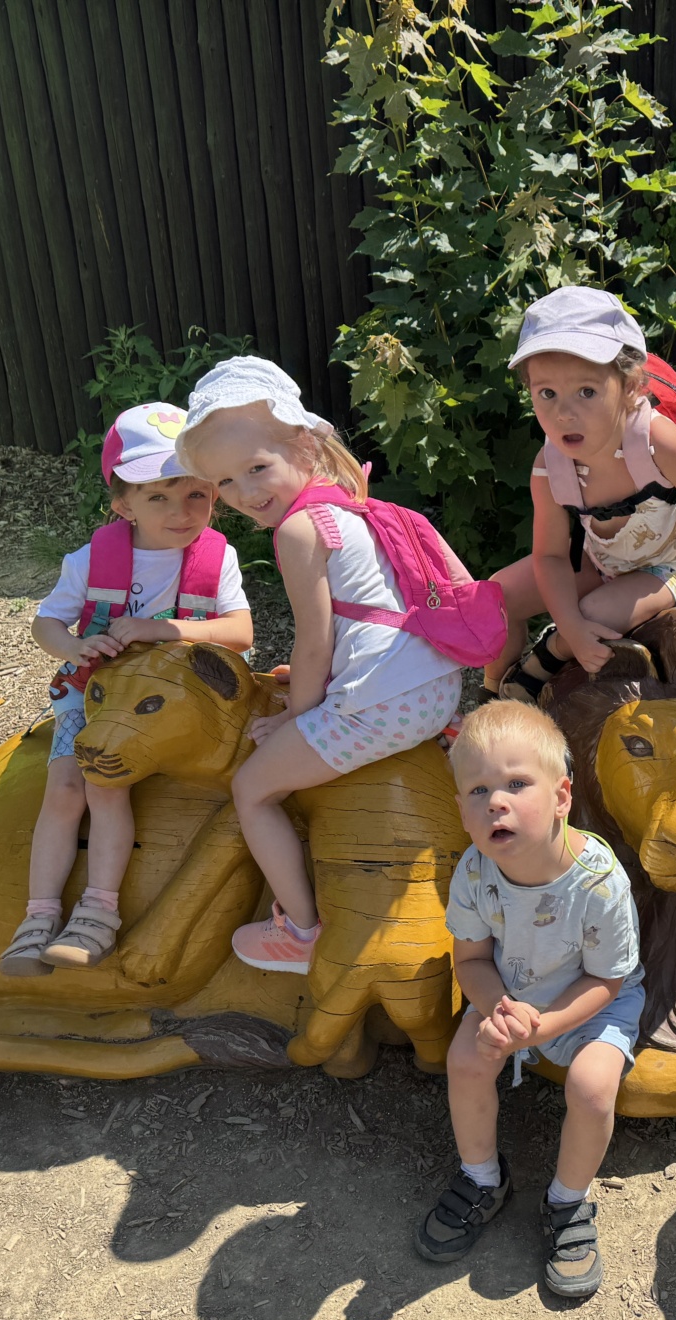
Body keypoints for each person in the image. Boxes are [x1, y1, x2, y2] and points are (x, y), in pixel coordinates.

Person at [175, 357, 466, 975]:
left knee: (252, 789)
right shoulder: (349, 506)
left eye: (257, 468)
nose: (245, 492)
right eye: (225, 482)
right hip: (436, 688)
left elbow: (314, 643)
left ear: (304, 447)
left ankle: (302, 932)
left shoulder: (298, 530)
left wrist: (295, 718)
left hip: (385, 705)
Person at [0, 403, 253, 976]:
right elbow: (46, 623)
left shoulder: (218, 559)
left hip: (174, 705)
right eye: (158, 496)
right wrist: (73, 648)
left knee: (106, 787)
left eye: (196, 494)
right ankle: (38, 917)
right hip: (94, 694)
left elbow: (240, 633)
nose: (181, 511)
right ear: (123, 504)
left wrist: (164, 629)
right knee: (69, 786)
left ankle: (98, 913)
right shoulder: (91, 560)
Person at [415, 700, 643, 1300]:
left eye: (517, 784)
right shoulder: (474, 871)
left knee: (592, 1087)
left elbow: (607, 981)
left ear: (562, 796)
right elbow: (471, 961)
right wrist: (499, 1009)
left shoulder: (599, 882)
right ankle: (482, 1178)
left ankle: (568, 1199)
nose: (497, 801)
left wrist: (541, 1029)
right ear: (461, 810)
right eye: (478, 790)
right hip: (510, 994)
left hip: (592, 1002)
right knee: (466, 1060)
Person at [485, 285, 676, 703]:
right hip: (601, 561)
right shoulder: (550, 465)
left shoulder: (654, 441)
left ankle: (540, 667)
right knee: (495, 597)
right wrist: (570, 623)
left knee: (594, 614)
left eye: (587, 392)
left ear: (630, 386)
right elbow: (552, 556)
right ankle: (492, 702)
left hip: (673, 567)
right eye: (547, 393)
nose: (564, 413)